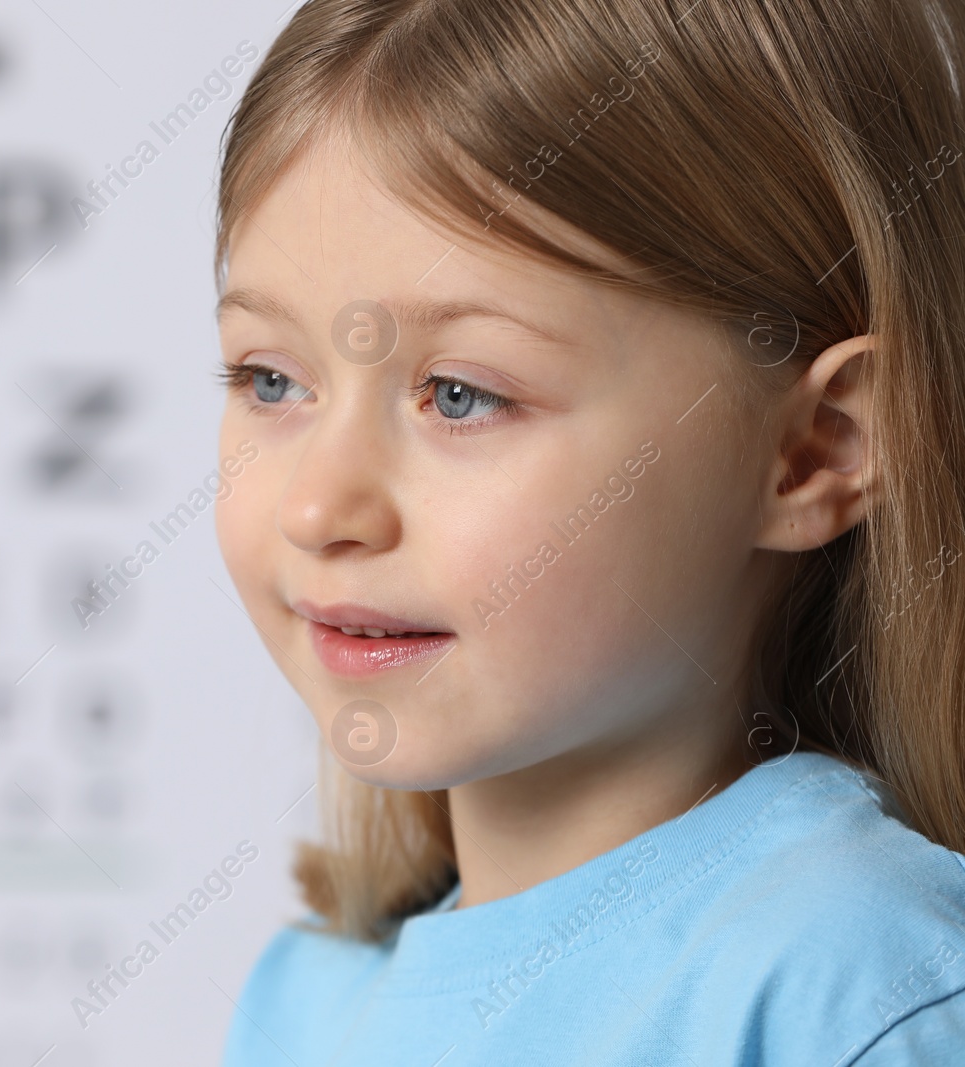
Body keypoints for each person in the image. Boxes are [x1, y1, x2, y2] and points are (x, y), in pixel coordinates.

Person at [211, 0, 965, 1062]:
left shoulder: (851, 984)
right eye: (271, 377)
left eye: (460, 394)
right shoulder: (304, 1002)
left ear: (812, 449)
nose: (316, 507)